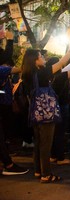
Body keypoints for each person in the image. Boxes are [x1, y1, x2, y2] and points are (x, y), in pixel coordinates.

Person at [22, 42, 70, 183]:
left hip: (35, 113)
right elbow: (62, 62)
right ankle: (46, 174)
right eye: (41, 56)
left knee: (39, 142)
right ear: (35, 60)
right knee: (46, 144)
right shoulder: (41, 73)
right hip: (46, 114)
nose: (43, 58)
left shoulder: (27, 75)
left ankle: (37, 170)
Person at [0, 30, 29, 176]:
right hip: (3, 105)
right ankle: (8, 165)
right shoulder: (2, 69)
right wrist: (27, 56)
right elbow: (21, 68)